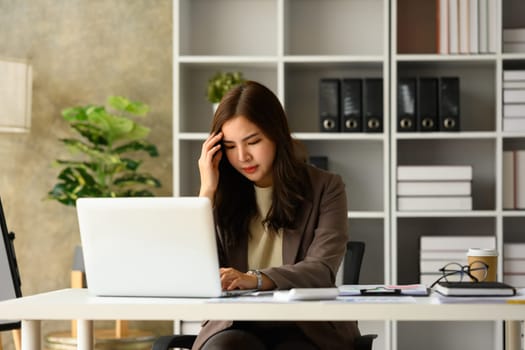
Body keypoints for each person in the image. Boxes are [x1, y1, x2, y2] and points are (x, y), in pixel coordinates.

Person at [194, 80, 360, 350]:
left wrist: (256, 279)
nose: (243, 157)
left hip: (304, 326)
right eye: (231, 146)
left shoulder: (326, 188)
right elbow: (196, 272)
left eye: (253, 141)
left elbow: (320, 270)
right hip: (235, 324)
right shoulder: (220, 193)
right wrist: (207, 191)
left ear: (276, 135)